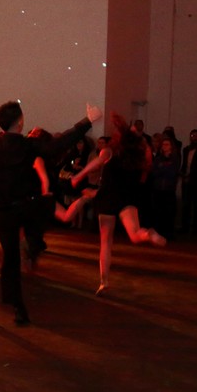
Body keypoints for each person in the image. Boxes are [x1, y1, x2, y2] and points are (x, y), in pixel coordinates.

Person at [0, 101, 102, 325]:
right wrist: (87, 121)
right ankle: (18, 293)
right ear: (20, 122)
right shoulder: (26, 147)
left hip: (17, 207)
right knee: (19, 250)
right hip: (26, 205)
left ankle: (17, 294)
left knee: (13, 255)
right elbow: (58, 145)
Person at [72, 114, 166, 296]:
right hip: (127, 197)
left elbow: (95, 164)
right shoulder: (137, 157)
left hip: (108, 197)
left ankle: (104, 282)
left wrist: (78, 176)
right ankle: (148, 234)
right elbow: (145, 172)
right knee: (135, 234)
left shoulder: (109, 152)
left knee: (106, 243)